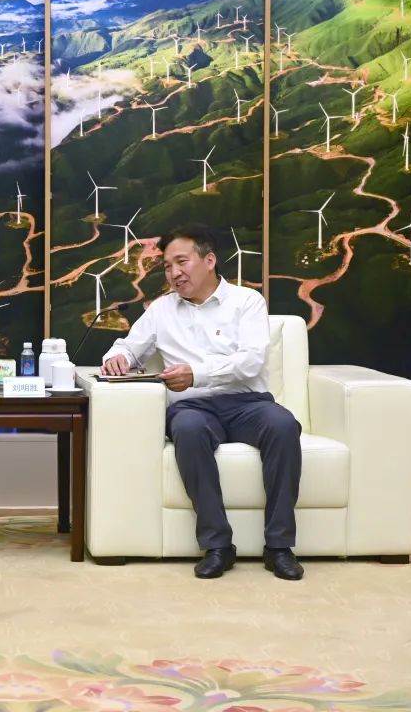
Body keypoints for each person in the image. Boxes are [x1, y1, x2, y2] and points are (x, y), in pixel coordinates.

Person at [99, 226, 304, 581]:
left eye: (181, 262)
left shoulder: (247, 302)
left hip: (247, 403)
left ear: (209, 261)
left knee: (283, 425)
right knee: (188, 430)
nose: (174, 273)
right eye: (167, 266)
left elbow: (251, 361)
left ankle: (279, 547)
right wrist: (117, 357)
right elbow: (129, 347)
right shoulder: (161, 310)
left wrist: (196, 374)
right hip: (192, 408)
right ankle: (217, 545)